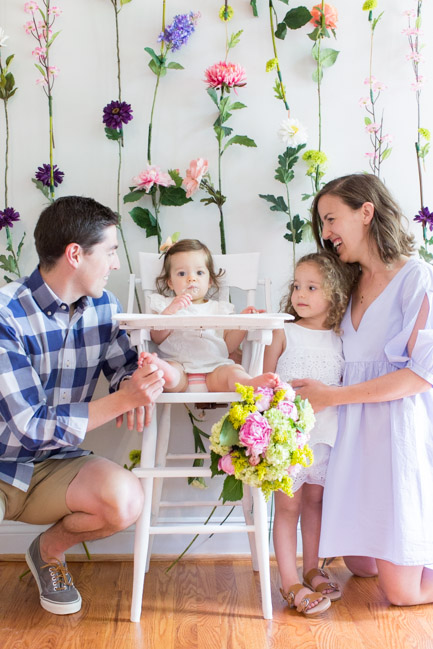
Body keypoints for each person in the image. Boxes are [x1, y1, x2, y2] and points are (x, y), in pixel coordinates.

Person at [0, 196, 165, 615]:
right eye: (110, 251)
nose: (114, 263)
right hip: (3, 463)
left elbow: (124, 370)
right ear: (75, 254)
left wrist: (141, 378)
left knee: (125, 500)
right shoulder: (6, 315)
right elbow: (29, 427)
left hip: (58, 466)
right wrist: (125, 398)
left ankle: (48, 553)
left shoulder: (105, 309)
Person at [292, 173, 433, 606]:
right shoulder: (349, 285)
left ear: (366, 212)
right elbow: (307, 326)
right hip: (351, 440)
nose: (327, 233)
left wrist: (331, 396)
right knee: (360, 564)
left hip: (395, 437)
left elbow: (420, 375)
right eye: (323, 223)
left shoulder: (416, 278)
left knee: (402, 594)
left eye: (332, 218)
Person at [263, 252, 353, 616]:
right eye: (297, 286)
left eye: (312, 287)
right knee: (287, 507)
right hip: (289, 439)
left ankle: (312, 567)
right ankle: (288, 580)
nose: (301, 293)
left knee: (315, 504)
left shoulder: (340, 336)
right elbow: (264, 382)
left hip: (326, 437)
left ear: (334, 295)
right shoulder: (283, 330)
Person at [138, 238, 279, 392]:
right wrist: (170, 312)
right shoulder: (166, 305)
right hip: (178, 364)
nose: (191, 278)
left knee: (233, 372)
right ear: (170, 282)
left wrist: (244, 323)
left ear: (210, 280)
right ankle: (161, 369)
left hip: (215, 368)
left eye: (199, 272)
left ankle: (247, 382)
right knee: (171, 373)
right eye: (181, 273)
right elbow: (157, 338)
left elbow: (229, 345)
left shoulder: (219, 309)